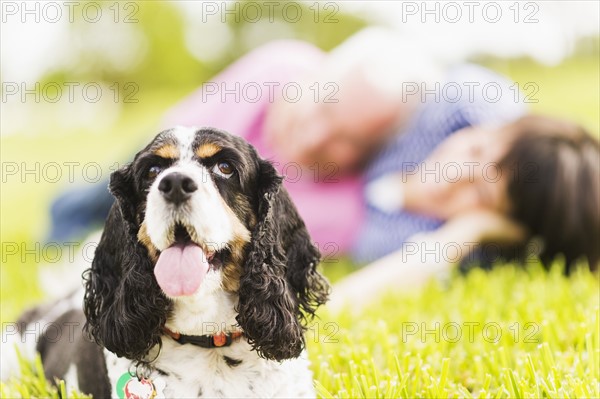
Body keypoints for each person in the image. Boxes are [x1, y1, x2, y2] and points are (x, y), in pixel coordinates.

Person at [47, 28, 439, 256]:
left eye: (348, 140)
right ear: (318, 75)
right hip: (165, 164)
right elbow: (181, 145)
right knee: (93, 200)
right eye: (324, 107)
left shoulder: (349, 201)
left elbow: (262, 237)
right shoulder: (281, 65)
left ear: (372, 152)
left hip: (206, 216)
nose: (318, 136)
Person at [331, 113, 600, 312]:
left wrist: (469, 231)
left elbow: (338, 303)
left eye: (480, 193)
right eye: (475, 150)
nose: (451, 175)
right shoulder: (458, 110)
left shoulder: (413, 238)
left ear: (506, 226)